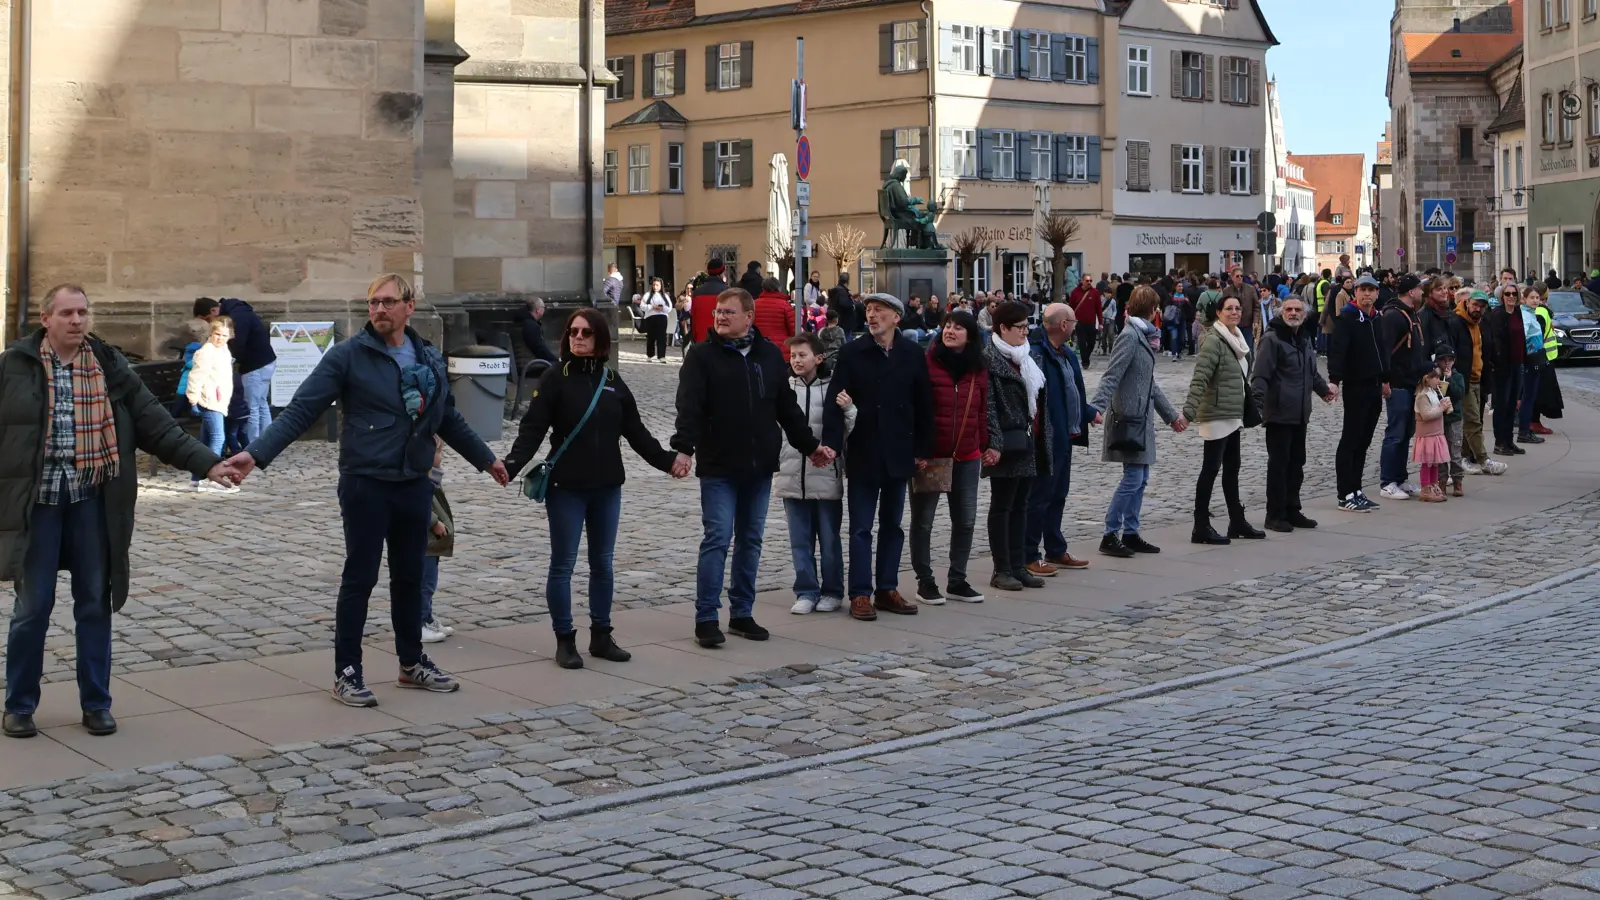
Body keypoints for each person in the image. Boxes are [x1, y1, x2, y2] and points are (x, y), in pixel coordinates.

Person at [227, 274, 510, 707]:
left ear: (409, 307)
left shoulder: (429, 357)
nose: (378, 310)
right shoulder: (349, 356)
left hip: (414, 481)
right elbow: (302, 409)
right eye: (373, 303)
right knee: (360, 578)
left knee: (410, 578)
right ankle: (347, 672)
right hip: (365, 482)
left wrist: (486, 459)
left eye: (388, 302)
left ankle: (411, 663)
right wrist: (256, 454)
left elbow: (446, 417)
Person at [3, 285, 240, 739]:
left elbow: (156, 425)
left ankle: (96, 704)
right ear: (45, 317)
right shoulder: (14, 367)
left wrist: (207, 462)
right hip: (40, 506)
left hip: (94, 502)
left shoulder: (110, 366)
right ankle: (19, 706)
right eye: (67, 313)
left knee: (95, 603)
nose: (76, 321)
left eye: (83, 313)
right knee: (33, 607)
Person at [505, 308, 680, 668]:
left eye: (586, 332)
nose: (578, 337)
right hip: (566, 487)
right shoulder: (556, 378)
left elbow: (637, 432)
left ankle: (601, 635)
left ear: (599, 338)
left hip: (606, 487)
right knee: (563, 565)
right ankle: (564, 639)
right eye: (573, 332)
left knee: (602, 564)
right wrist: (509, 466)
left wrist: (667, 461)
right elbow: (532, 430)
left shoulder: (613, 380)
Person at [672, 288, 826, 647]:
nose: (720, 317)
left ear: (748, 318)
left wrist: (811, 446)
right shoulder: (702, 356)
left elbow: (786, 409)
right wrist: (683, 448)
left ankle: (741, 613)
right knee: (718, 539)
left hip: (758, 467)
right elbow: (689, 406)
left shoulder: (769, 355)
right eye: (718, 312)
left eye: (728, 312)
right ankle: (706, 616)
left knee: (751, 541)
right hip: (719, 466)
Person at [822, 293, 934, 620]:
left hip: (899, 450)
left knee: (892, 525)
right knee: (860, 527)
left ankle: (887, 588)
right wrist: (831, 444)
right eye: (869, 311)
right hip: (864, 448)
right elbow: (835, 401)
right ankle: (859, 593)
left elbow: (924, 404)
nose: (872, 316)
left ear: (896, 318)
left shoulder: (912, 353)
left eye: (880, 311)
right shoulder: (853, 352)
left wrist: (924, 448)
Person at [1094, 286, 1185, 558]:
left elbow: (1150, 383)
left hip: (1141, 419)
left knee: (1141, 478)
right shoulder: (1130, 336)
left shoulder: (1142, 335)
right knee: (1133, 478)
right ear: (1152, 310)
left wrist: (1171, 417)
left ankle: (1131, 533)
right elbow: (1112, 375)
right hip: (1128, 419)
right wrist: (1095, 408)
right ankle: (1110, 534)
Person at [910, 310, 990, 605]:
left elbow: (981, 410)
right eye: (947, 326)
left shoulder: (978, 368)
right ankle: (925, 580)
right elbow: (915, 409)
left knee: (966, 521)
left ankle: (958, 579)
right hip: (932, 456)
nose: (950, 330)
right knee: (924, 522)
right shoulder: (926, 363)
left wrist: (984, 445)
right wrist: (917, 449)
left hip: (966, 455)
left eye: (958, 327)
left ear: (970, 335)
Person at [776, 334, 854, 614]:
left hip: (825, 474)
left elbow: (850, 428)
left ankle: (833, 591)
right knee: (799, 539)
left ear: (818, 359)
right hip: (791, 472)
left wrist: (849, 409)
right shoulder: (783, 388)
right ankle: (806, 590)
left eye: (802, 355)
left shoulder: (833, 390)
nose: (796, 360)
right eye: (793, 355)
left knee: (830, 539)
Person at [1182, 295, 1264, 544]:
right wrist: (1187, 413)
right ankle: (1200, 525)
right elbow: (1200, 378)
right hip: (1217, 414)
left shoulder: (1237, 338)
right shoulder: (1213, 341)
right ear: (1218, 312)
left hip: (1233, 413)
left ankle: (1236, 520)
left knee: (1232, 469)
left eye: (1238, 308)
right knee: (1210, 469)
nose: (1234, 312)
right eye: (1229, 308)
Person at [982, 302, 1051, 591]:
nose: (1026, 331)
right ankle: (1002, 568)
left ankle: (1019, 564)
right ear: (1003, 329)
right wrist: (995, 443)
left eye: (1027, 326)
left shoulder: (1028, 358)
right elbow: (988, 407)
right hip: (1007, 445)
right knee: (1003, 506)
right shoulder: (989, 359)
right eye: (1020, 327)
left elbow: (1040, 401)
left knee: (1022, 505)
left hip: (1029, 442)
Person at [1024, 303, 1096, 576]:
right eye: (1074, 322)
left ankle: (1055, 548)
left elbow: (1073, 389)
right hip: (1047, 435)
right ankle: (1029, 553)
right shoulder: (1037, 353)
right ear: (1063, 325)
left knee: (1058, 495)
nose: (1076, 325)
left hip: (1067, 433)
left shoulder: (1067, 353)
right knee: (1040, 496)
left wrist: (1087, 412)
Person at [1252, 296, 1335, 532]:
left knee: (1297, 464)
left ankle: (1292, 509)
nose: (1292, 313)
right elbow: (1261, 375)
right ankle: (1275, 514)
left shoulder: (1304, 338)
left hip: (1300, 412)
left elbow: (1311, 371)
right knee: (1279, 466)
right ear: (1281, 313)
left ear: (1305, 314)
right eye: (1288, 309)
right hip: (1279, 412)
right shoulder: (1272, 339)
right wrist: (1257, 407)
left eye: (1297, 309)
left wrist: (1323, 390)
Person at [1328, 274, 1390, 512]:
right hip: (1356, 385)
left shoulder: (1375, 318)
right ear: (1355, 292)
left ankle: (1357, 489)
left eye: (1371, 290)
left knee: (1364, 441)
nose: (1367, 294)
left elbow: (1382, 350)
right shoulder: (1347, 318)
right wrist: (1335, 380)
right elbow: (1338, 351)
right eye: (1362, 290)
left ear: (1376, 293)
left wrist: (1386, 378)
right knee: (1351, 440)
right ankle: (1345, 493)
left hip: (1374, 385)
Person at [1377, 274, 1429, 501]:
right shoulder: (1393, 316)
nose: (1422, 292)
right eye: (1420, 289)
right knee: (1395, 434)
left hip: (1411, 382)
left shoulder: (1410, 313)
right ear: (1411, 292)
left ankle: (1400, 478)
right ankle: (1388, 482)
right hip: (1397, 383)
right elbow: (1384, 350)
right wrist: (1384, 380)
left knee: (1406, 433)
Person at [1447, 289, 1505, 475]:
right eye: (1474, 304)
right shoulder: (1456, 322)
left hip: (1478, 377)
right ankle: (1483, 459)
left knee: (1473, 419)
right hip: (1462, 379)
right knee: (1473, 420)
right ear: (1467, 303)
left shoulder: (1482, 323)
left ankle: (1464, 457)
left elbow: (1487, 350)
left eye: (1481, 306)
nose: (1477, 308)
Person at [184, 317, 241, 494]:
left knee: (206, 440)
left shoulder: (223, 350)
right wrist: (193, 399)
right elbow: (196, 376)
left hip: (219, 400)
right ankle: (213, 478)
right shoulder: (207, 352)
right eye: (217, 334)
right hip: (209, 400)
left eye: (224, 335)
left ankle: (196, 479)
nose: (220, 338)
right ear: (211, 333)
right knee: (218, 439)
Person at [1483, 286, 1528, 457]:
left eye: (1514, 294)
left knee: (1512, 405)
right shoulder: (1498, 314)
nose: (1511, 297)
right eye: (1507, 294)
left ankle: (1509, 441)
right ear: (1502, 296)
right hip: (1503, 366)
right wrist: (1498, 363)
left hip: (1518, 364)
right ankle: (1499, 442)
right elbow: (1496, 342)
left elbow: (1521, 337)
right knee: (1501, 405)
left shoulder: (1517, 312)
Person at [421, 438, 454, 644]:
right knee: (425, 583)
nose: (441, 457)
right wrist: (434, 522)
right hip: (425, 539)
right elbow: (422, 502)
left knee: (429, 582)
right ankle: (419, 622)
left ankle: (427, 617)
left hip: (431, 542)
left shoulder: (430, 475)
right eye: (439, 453)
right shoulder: (420, 477)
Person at [1411, 368, 1451, 502]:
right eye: (1436, 378)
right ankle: (1425, 488)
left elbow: (1435, 409)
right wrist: (1441, 408)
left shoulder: (1433, 392)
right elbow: (1426, 415)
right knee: (1427, 463)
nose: (1438, 381)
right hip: (1427, 435)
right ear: (1427, 378)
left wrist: (1441, 405)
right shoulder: (1422, 395)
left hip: (1436, 434)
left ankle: (1434, 484)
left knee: (1435, 463)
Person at [1515, 286, 1548, 446]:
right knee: (1528, 397)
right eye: (1532, 298)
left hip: (1532, 360)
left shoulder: (1530, 314)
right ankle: (1524, 431)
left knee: (1529, 396)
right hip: (1530, 361)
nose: (1536, 300)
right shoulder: (1526, 315)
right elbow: (1524, 334)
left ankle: (1524, 430)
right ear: (1524, 299)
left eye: (1537, 298)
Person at [1438, 350, 1467, 497]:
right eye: (1444, 360)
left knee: (1455, 451)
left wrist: (1449, 380)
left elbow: (1459, 394)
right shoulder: (1435, 377)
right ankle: (1442, 481)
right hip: (1440, 419)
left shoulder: (1457, 377)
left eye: (1450, 360)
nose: (1447, 363)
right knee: (1441, 453)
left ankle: (1457, 480)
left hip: (1454, 418)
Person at [753, 277, 797, 360]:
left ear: (763, 288)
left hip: (758, 346)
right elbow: (793, 329)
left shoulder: (754, 305)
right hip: (781, 348)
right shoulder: (785, 305)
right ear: (778, 287)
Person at [690, 258, 729, 342]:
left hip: (701, 339)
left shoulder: (697, 292)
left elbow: (693, 317)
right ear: (722, 273)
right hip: (722, 339)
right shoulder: (727, 292)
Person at [514, 297, 558, 364]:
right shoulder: (531, 326)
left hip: (521, 363)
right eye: (544, 307)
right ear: (538, 310)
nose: (545, 310)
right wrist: (557, 361)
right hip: (531, 364)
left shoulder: (521, 322)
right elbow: (540, 350)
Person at [1069, 277, 1102, 368]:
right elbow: (1071, 307)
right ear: (1082, 281)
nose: (1089, 282)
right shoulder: (1075, 292)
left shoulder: (1095, 292)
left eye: (1091, 280)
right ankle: (1085, 362)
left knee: (1092, 343)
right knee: (1082, 342)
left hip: (1091, 322)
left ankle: (1086, 357)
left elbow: (1098, 308)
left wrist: (1100, 322)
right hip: (1079, 322)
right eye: (1087, 281)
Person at [640, 278, 672, 362]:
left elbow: (669, 308)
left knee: (662, 337)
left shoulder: (665, 296)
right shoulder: (647, 295)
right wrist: (651, 307)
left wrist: (662, 308)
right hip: (651, 317)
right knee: (651, 336)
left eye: (657, 285)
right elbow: (642, 306)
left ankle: (661, 356)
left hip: (662, 317)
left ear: (661, 286)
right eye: (654, 285)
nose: (655, 287)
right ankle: (650, 355)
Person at [827, 272, 857, 337]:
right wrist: (852, 306)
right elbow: (844, 304)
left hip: (836, 321)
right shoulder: (842, 292)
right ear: (847, 281)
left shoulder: (835, 291)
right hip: (844, 322)